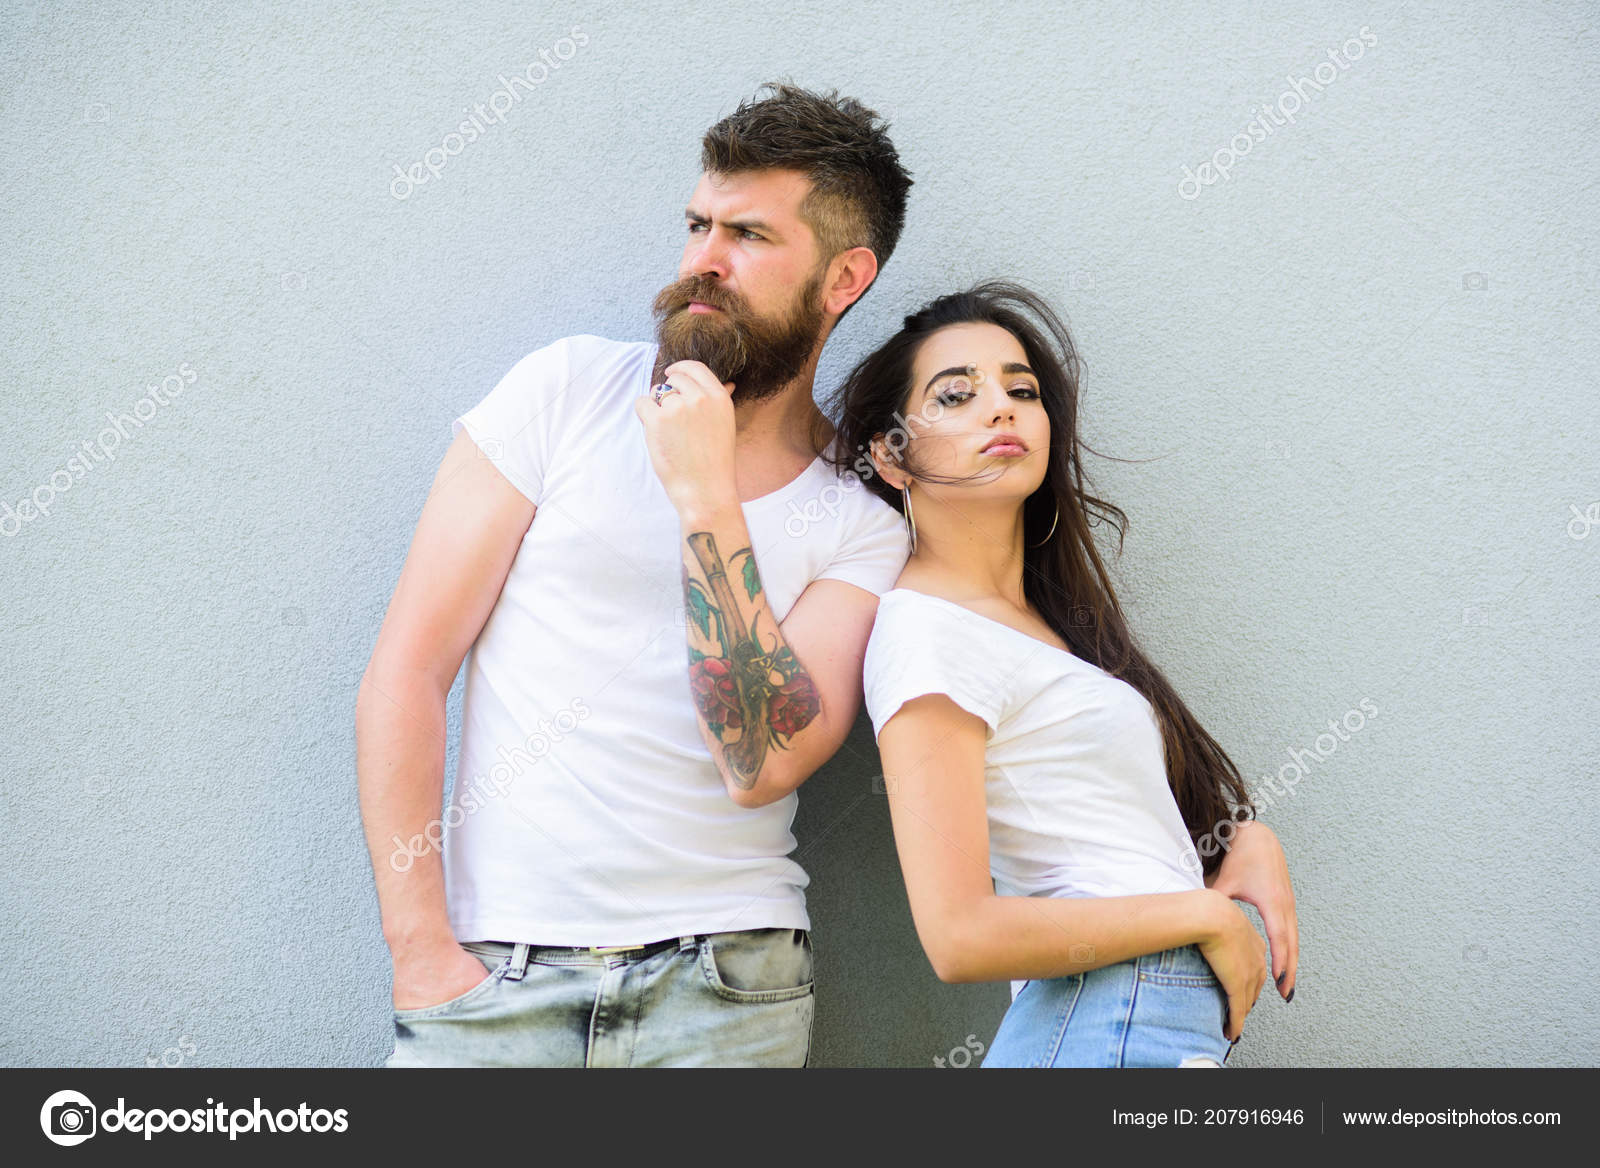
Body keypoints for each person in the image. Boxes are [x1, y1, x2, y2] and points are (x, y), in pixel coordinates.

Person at [357, 82, 915, 1067]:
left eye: (746, 234)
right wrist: (422, 954)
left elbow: (760, 761)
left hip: (727, 994)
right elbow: (407, 670)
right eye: (698, 223)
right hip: (497, 978)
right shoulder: (564, 392)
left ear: (842, 279)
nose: (702, 258)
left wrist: (705, 499)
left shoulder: (861, 525)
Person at [825, 280, 1299, 1067]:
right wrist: (1203, 917)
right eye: (955, 395)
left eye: (1022, 390)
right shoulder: (927, 632)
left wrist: (1238, 841)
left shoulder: (1050, 628)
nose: (1001, 408)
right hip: (1105, 1015)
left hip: (1132, 1017)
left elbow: (1093, 831)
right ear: (890, 454)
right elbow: (958, 936)